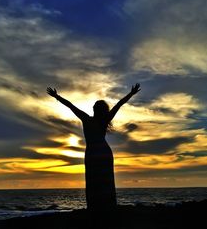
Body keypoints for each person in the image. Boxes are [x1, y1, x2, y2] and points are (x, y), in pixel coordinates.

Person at [46, 83, 141, 211]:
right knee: (104, 180)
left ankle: (97, 207)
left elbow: (71, 106)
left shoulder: (87, 119)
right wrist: (131, 93)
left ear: (97, 110)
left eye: (95, 107)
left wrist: (57, 96)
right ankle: (106, 207)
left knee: (94, 180)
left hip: (93, 152)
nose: (94, 108)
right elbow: (119, 104)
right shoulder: (102, 119)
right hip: (103, 152)